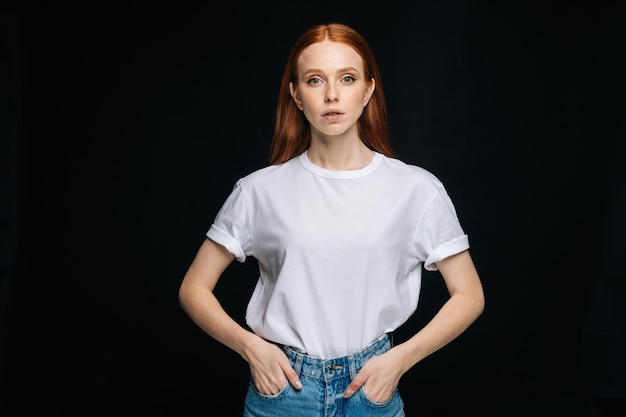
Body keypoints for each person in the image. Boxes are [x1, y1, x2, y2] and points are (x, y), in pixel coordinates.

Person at [178, 22, 485, 416]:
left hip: (370, 389)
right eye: (314, 80)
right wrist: (251, 348)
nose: (332, 94)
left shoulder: (416, 189)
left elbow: (469, 295)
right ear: (296, 95)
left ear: (368, 90)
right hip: (285, 391)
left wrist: (401, 359)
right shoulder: (258, 191)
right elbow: (194, 287)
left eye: (347, 78)